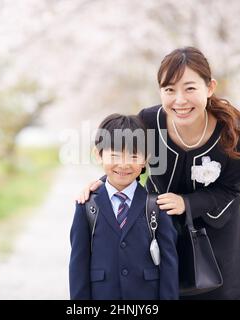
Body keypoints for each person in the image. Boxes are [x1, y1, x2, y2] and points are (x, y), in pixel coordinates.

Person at [78, 47, 240, 300]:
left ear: (209, 87)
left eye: (190, 88)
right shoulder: (149, 121)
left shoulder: (231, 132)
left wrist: (186, 203)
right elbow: (125, 159)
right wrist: (101, 185)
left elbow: (230, 190)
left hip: (219, 240)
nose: (179, 100)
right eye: (169, 90)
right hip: (161, 235)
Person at [69, 114, 179, 300]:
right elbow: (78, 264)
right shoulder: (87, 206)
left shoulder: (156, 207)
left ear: (146, 159)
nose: (124, 164)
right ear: (98, 155)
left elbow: (169, 265)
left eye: (134, 155)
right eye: (115, 155)